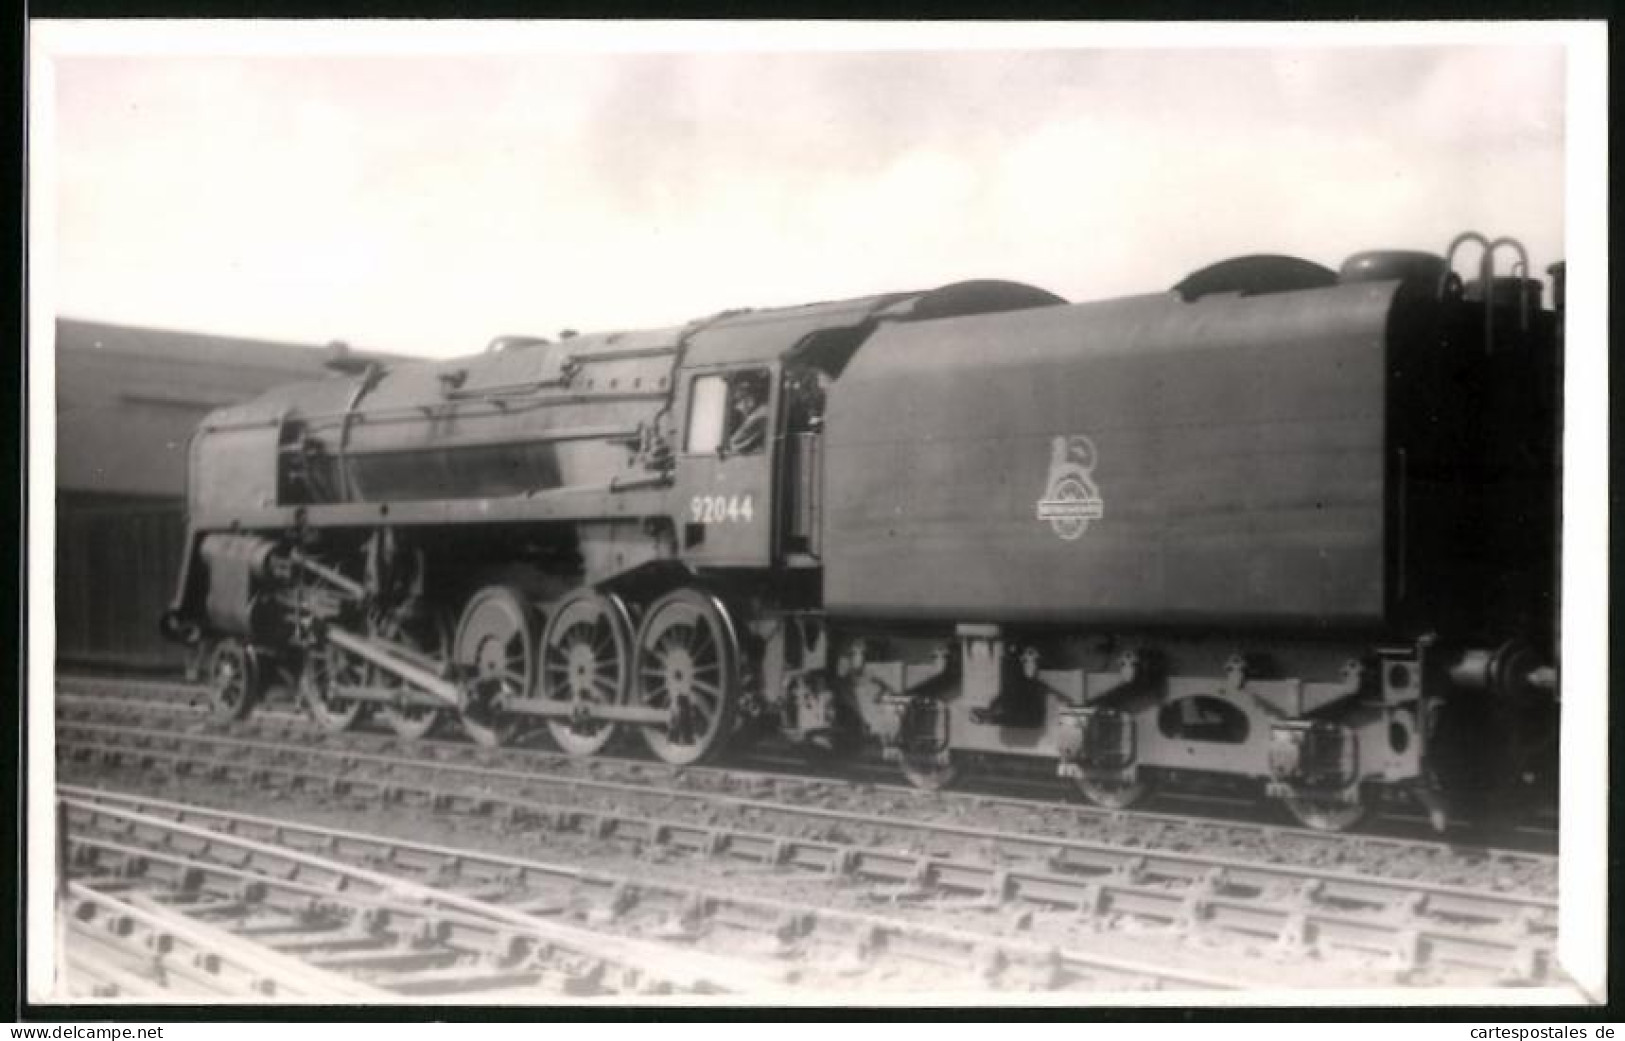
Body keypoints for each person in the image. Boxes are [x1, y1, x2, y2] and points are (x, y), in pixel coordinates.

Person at [724, 378, 768, 455]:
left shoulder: (760, 416)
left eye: (738, 401)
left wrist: (726, 448)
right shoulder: (758, 414)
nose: (737, 407)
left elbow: (735, 445)